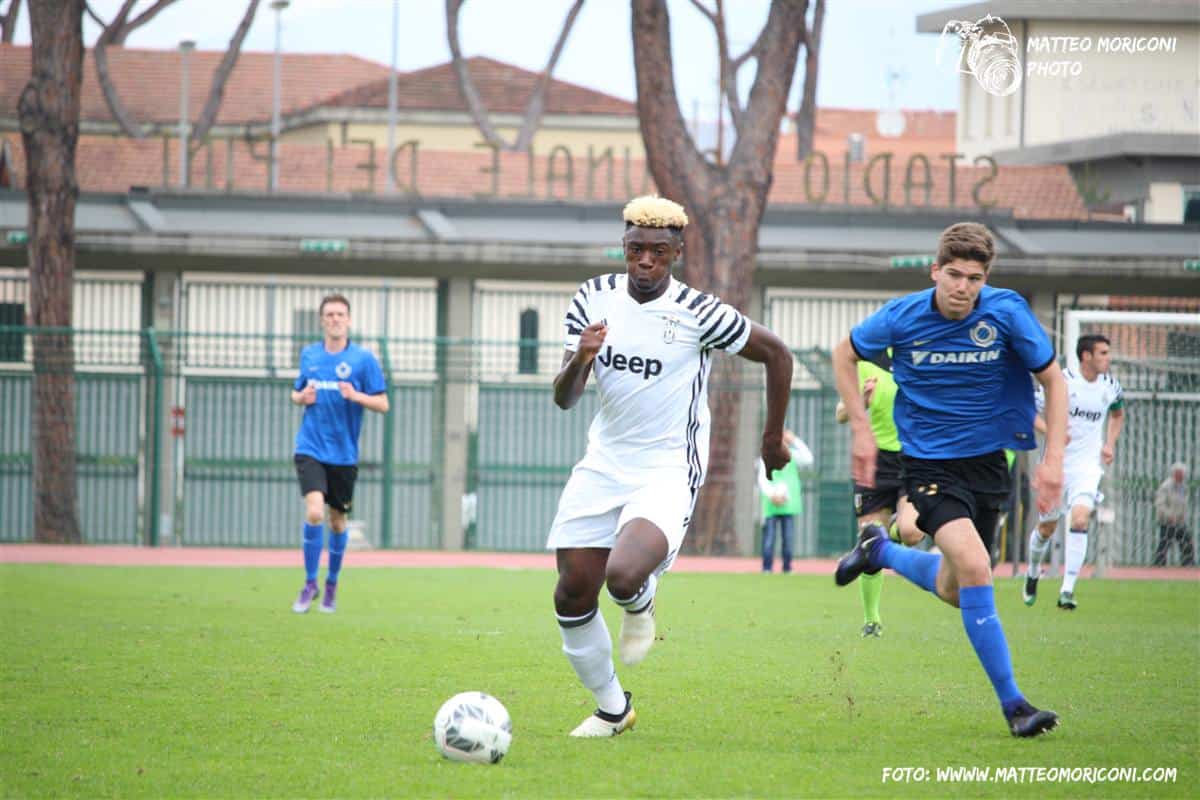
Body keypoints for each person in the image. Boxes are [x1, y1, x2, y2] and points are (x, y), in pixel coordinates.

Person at [549, 195, 793, 737]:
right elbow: (565, 398)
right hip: (604, 462)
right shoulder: (592, 298)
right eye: (636, 250)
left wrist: (772, 439)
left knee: (623, 575)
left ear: (676, 253)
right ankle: (614, 710)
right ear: (624, 248)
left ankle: (642, 602)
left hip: (666, 467)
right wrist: (582, 359)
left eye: (658, 252)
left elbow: (778, 354)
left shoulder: (698, 312)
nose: (644, 262)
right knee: (571, 592)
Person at [830, 221, 1068, 738]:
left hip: (988, 465)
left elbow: (1052, 378)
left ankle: (882, 553)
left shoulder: (1006, 312)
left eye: (975, 278)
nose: (963, 287)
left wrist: (1053, 460)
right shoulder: (902, 316)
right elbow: (843, 353)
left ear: (986, 279)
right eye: (954, 275)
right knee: (978, 567)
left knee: (957, 588)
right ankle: (1016, 706)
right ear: (935, 271)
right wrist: (862, 430)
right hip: (929, 466)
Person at [290, 294, 389, 614]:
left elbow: (383, 404)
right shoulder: (310, 355)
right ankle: (309, 583)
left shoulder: (363, 360)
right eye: (329, 314)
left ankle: (331, 583)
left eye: (340, 314)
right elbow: (296, 392)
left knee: (336, 521)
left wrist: (356, 395)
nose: (335, 319)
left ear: (348, 320)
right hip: (310, 447)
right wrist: (300, 396)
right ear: (322, 320)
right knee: (315, 512)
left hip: (344, 455)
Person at [1022, 334, 1125, 610]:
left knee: (1080, 519)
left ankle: (1067, 590)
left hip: (1087, 467)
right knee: (1047, 527)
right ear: (1086, 356)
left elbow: (1117, 414)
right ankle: (1032, 572)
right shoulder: (1061, 382)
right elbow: (1027, 410)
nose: (1108, 358)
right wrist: (1050, 431)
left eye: (1107, 352)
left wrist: (1109, 444)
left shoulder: (1110, 386)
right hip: (1057, 465)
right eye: (1102, 353)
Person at [834, 351, 922, 637]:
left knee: (910, 532)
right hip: (873, 461)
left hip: (913, 458)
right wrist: (860, 401)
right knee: (870, 548)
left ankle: (885, 536)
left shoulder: (925, 358)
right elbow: (840, 414)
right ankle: (872, 619)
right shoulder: (867, 362)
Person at [755, 429, 814, 574]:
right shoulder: (766, 457)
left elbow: (809, 458)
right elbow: (762, 480)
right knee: (769, 540)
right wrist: (772, 495)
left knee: (788, 540)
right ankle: (766, 568)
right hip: (771, 505)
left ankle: (787, 568)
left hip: (789, 505)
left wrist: (795, 440)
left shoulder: (791, 456)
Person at [1153, 462, 1194, 566]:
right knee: (1165, 543)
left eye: (1182, 474)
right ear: (1174, 473)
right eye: (1179, 473)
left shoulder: (1183, 487)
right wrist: (1169, 515)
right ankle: (1159, 564)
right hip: (1167, 521)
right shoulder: (1165, 486)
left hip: (1179, 521)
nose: (1181, 476)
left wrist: (1182, 516)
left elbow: (1184, 503)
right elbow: (1159, 504)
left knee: (1187, 541)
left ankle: (1187, 563)